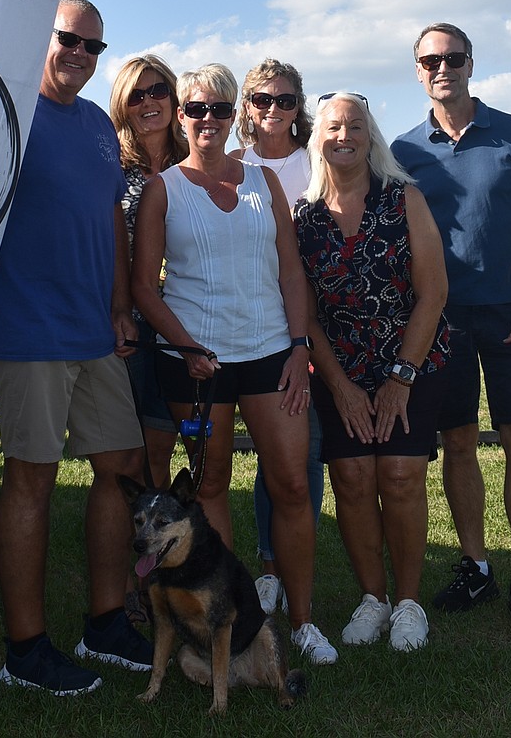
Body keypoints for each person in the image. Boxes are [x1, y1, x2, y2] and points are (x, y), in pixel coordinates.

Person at [0, 0, 152, 698]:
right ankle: (24, 651)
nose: (79, 54)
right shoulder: (6, 113)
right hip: (27, 326)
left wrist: (120, 308)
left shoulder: (100, 127)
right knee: (33, 480)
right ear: (41, 37)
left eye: (93, 47)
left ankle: (104, 623)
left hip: (94, 330)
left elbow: (110, 220)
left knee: (122, 466)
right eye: (68, 39)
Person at [131, 64, 338, 665]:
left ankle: (303, 621)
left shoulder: (263, 181)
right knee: (211, 486)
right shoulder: (164, 189)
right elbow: (144, 287)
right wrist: (186, 347)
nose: (208, 120)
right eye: (196, 109)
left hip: (272, 353)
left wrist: (299, 347)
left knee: (292, 483)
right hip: (196, 365)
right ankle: (220, 624)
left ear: (234, 116)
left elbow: (291, 271)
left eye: (220, 109)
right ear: (181, 116)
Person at [392, 22, 511, 634]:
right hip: (441, 320)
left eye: (454, 57)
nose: (443, 68)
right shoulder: (403, 151)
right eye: (431, 60)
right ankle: (476, 565)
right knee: (458, 443)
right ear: (417, 71)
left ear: (470, 63)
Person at [294, 92, 450, 652]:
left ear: (370, 136)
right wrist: (339, 387)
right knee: (353, 480)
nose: (344, 136)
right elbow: (306, 313)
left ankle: (408, 603)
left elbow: (434, 293)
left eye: (355, 126)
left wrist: (400, 379)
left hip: (412, 361)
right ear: (317, 139)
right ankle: (373, 598)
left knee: (401, 478)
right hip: (339, 369)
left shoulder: (404, 198)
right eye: (333, 127)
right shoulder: (304, 216)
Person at [229, 58, 324, 616]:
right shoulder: (231, 164)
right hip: (254, 327)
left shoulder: (315, 162)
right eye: (262, 99)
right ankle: (270, 568)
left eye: (285, 100)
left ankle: (296, 567)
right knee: (273, 455)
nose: (273, 109)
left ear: (298, 108)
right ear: (246, 106)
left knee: (303, 455)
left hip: (316, 324)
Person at [109, 54, 187, 489]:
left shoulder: (195, 162)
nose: (148, 102)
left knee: (161, 445)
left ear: (174, 98)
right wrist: (117, 309)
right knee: (128, 449)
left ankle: (159, 526)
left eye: (158, 90)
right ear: (122, 105)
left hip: (184, 318)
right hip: (130, 322)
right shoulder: (110, 167)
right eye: (136, 95)